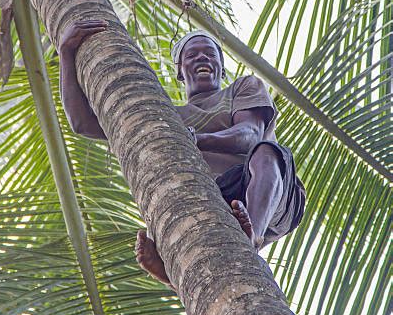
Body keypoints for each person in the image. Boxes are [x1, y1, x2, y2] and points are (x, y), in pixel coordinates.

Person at [59, 21, 305, 286]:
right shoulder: (168, 116)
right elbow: (82, 123)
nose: (202, 58)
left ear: (221, 69)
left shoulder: (242, 88)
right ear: (179, 71)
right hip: (210, 195)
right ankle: (175, 273)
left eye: (210, 54)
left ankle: (251, 236)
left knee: (267, 152)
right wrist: (66, 53)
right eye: (192, 54)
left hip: (261, 190)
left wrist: (194, 139)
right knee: (169, 198)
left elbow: (249, 135)